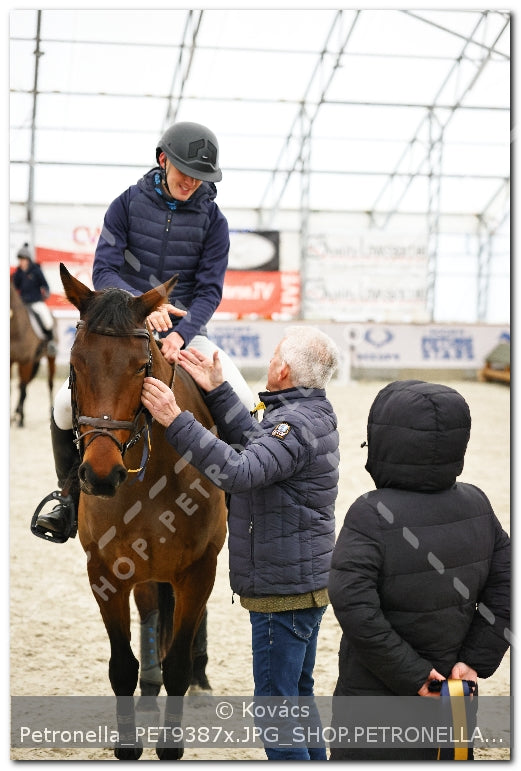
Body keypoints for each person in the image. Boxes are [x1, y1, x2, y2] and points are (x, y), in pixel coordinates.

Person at [33, 120, 255, 542]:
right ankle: (68, 498)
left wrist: (180, 332)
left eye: (200, 175)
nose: (191, 181)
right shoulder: (126, 204)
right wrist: (145, 305)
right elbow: (105, 269)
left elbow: (209, 290)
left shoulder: (215, 222)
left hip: (185, 333)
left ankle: (240, 504)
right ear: (162, 160)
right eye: (184, 170)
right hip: (124, 328)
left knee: (242, 398)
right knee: (65, 405)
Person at [141, 325, 341, 761]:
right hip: (304, 583)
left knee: (275, 711)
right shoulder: (311, 414)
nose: (269, 361)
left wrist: (177, 420)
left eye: (273, 357)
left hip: (282, 596)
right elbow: (259, 445)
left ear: (283, 369)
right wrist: (217, 392)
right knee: (297, 697)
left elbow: (240, 471)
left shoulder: (290, 424)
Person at [327, 379, 511, 761]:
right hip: (454, 697)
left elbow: (353, 606)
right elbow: (508, 591)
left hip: (376, 701)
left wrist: (415, 675)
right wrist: (473, 661)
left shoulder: (370, 512)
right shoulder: (478, 503)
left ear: (383, 440)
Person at [12, 242, 56, 354]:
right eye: (19, 259)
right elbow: (14, 287)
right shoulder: (18, 273)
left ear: (27, 259)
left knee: (47, 320)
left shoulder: (36, 270)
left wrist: (46, 293)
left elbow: (45, 285)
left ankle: (50, 343)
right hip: (23, 304)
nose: (20, 262)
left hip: (36, 302)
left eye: (22, 259)